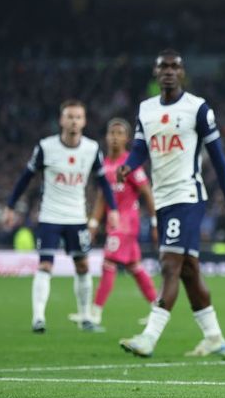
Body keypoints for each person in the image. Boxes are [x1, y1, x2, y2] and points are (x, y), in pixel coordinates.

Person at [118, 50, 225, 358]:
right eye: (163, 66)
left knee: (169, 264)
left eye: (175, 66)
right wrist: (127, 164)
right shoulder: (146, 110)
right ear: (155, 71)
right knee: (189, 271)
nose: (169, 71)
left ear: (182, 73)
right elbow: (139, 149)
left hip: (187, 196)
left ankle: (149, 337)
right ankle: (214, 337)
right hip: (162, 200)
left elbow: (217, 156)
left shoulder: (198, 108)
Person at [3, 99, 119, 333]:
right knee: (45, 265)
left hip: (77, 217)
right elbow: (26, 177)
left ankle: (86, 317)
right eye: (69, 116)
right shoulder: (46, 147)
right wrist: (10, 205)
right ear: (61, 120)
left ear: (84, 121)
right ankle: (38, 318)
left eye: (78, 117)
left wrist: (113, 209)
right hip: (50, 216)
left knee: (83, 266)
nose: (74, 121)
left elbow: (103, 183)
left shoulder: (91, 149)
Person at [68, 118, 158, 326]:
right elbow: (102, 198)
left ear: (127, 138)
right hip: (113, 223)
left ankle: (95, 312)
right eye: (112, 133)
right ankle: (157, 309)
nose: (115, 137)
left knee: (108, 262)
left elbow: (147, 192)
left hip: (127, 223)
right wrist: (93, 224)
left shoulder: (131, 164)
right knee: (135, 267)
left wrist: (154, 222)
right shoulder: (105, 165)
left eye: (119, 133)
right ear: (106, 137)